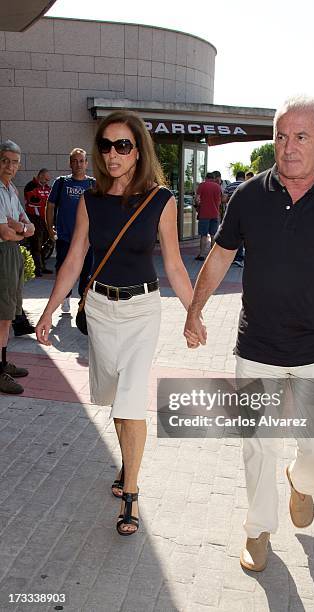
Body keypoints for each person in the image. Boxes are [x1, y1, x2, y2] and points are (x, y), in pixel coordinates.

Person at [184, 95, 314, 572]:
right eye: (281, 135)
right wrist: (194, 310)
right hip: (257, 346)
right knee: (257, 445)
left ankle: (302, 480)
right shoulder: (249, 196)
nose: (288, 147)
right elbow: (220, 256)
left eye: (301, 136)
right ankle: (258, 530)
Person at [36, 110, 199, 536]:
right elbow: (74, 260)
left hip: (143, 310)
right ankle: (129, 459)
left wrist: (193, 313)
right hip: (103, 312)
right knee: (113, 395)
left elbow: (176, 268)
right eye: (106, 145)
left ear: (138, 150)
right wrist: (51, 308)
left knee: (130, 400)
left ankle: (131, 495)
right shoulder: (91, 201)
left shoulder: (161, 201)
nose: (112, 154)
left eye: (122, 145)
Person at [0, 140, 35, 394]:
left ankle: (2, 362)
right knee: (2, 316)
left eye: (14, 162)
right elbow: (4, 231)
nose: (10, 166)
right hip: (2, 253)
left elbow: (28, 225)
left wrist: (19, 227)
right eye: (5, 160)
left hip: (12, 253)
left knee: (8, 313)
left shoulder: (10, 189)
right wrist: (18, 229)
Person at [46, 149, 95, 313]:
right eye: (75, 161)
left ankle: (83, 301)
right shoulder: (61, 183)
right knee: (63, 269)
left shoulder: (93, 185)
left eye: (81, 161)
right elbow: (50, 206)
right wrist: (50, 228)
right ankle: (65, 298)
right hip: (65, 237)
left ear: (86, 163)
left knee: (87, 272)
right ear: (70, 163)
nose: (78, 164)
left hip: (87, 240)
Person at [24, 168, 53, 277]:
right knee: (36, 244)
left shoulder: (47, 187)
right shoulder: (31, 185)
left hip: (45, 219)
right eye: (45, 179)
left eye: (48, 180)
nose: (46, 182)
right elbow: (36, 200)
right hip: (34, 219)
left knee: (47, 243)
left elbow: (50, 201)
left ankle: (43, 265)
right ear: (40, 176)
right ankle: (37, 268)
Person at [194, 172, 222, 261]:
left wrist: (197, 204)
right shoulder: (218, 187)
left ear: (206, 178)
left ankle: (201, 255)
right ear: (213, 178)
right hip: (215, 214)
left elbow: (197, 199)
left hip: (204, 214)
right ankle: (212, 255)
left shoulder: (202, 185)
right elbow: (220, 201)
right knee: (213, 235)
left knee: (204, 235)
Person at [223, 171, 246, 267]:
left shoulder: (230, 186)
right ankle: (239, 258)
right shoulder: (248, 185)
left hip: (231, 214)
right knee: (242, 236)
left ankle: (232, 257)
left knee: (232, 235)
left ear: (236, 177)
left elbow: (223, 199)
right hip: (245, 214)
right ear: (243, 177)